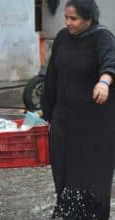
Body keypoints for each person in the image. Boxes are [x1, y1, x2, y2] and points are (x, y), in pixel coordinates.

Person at [42, 0, 115, 219]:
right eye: (66, 18)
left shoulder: (102, 37)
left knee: (90, 176)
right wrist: (47, 114)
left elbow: (110, 62)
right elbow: (52, 77)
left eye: (73, 18)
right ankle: (67, 214)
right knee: (64, 173)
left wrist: (104, 82)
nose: (68, 23)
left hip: (94, 126)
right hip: (64, 122)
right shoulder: (63, 38)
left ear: (88, 19)